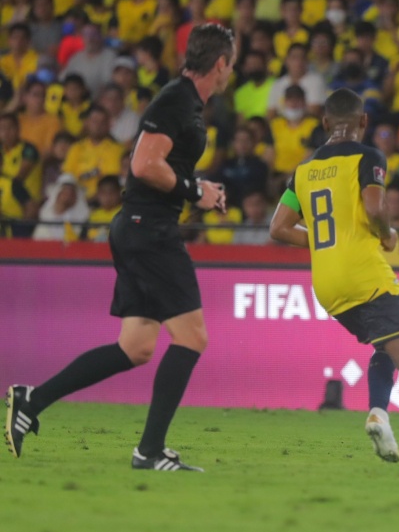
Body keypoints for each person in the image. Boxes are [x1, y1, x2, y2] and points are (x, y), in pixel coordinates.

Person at [5, 24, 234, 472]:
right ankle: (149, 451)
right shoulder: (175, 99)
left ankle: (32, 400)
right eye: (230, 63)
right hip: (148, 230)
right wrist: (194, 190)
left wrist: (199, 187)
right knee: (192, 337)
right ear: (221, 64)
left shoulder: (186, 101)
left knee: (136, 347)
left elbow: (163, 165)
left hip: (141, 227)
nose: (230, 72)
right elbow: (144, 163)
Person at [269, 88, 399, 471]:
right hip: (364, 273)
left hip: (326, 283)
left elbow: (278, 227)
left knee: (387, 347)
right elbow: (376, 206)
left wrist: (325, 245)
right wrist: (388, 234)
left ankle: (378, 413)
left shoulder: (305, 170)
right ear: (363, 122)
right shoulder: (368, 156)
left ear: (324, 123)